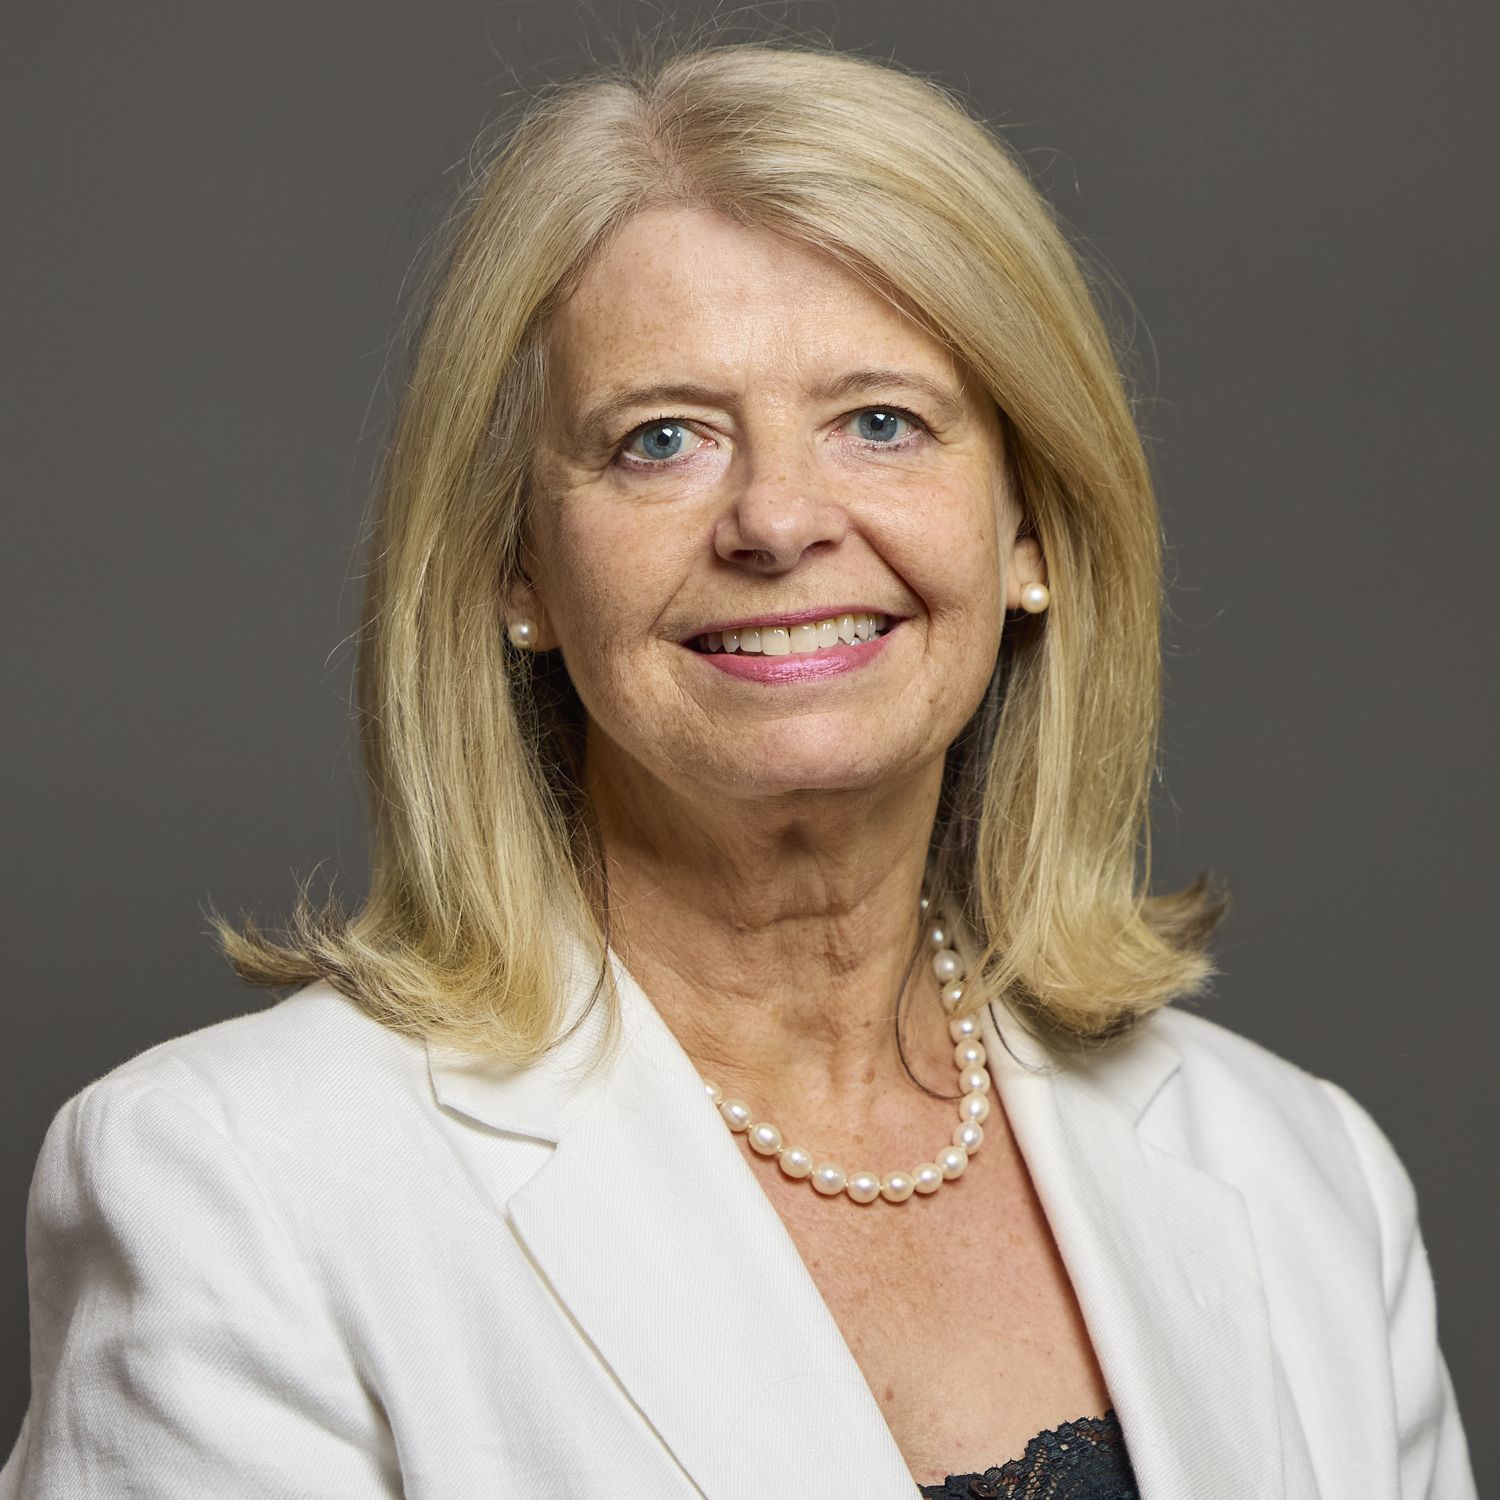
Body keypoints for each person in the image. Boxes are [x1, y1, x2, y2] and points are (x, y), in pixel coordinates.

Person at [0, 37, 1476, 1500]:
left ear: (1031, 531)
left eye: (881, 422)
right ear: (518, 567)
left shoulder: (1305, 1179)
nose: (778, 520)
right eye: (662, 441)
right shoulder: (234, 1187)